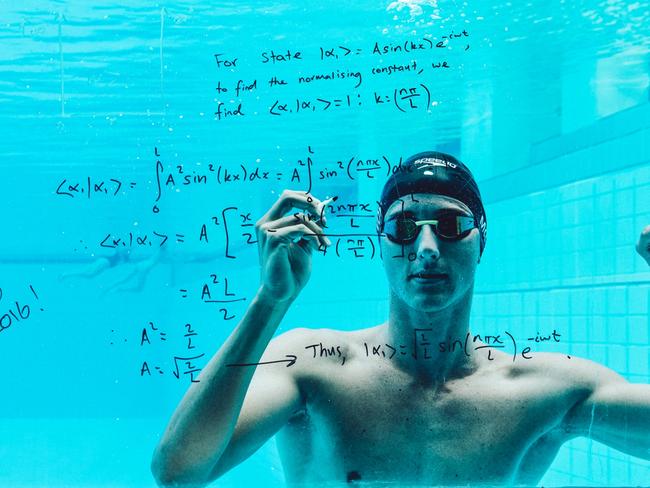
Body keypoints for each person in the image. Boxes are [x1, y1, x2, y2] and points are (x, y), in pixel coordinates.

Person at [151, 151, 650, 487]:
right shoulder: (312, 367)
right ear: (382, 245)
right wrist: (270, 299)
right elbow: (178, 471)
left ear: (482, 242)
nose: (427, 249)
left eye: (452, 225)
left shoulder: (545, 393)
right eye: (405, 227)